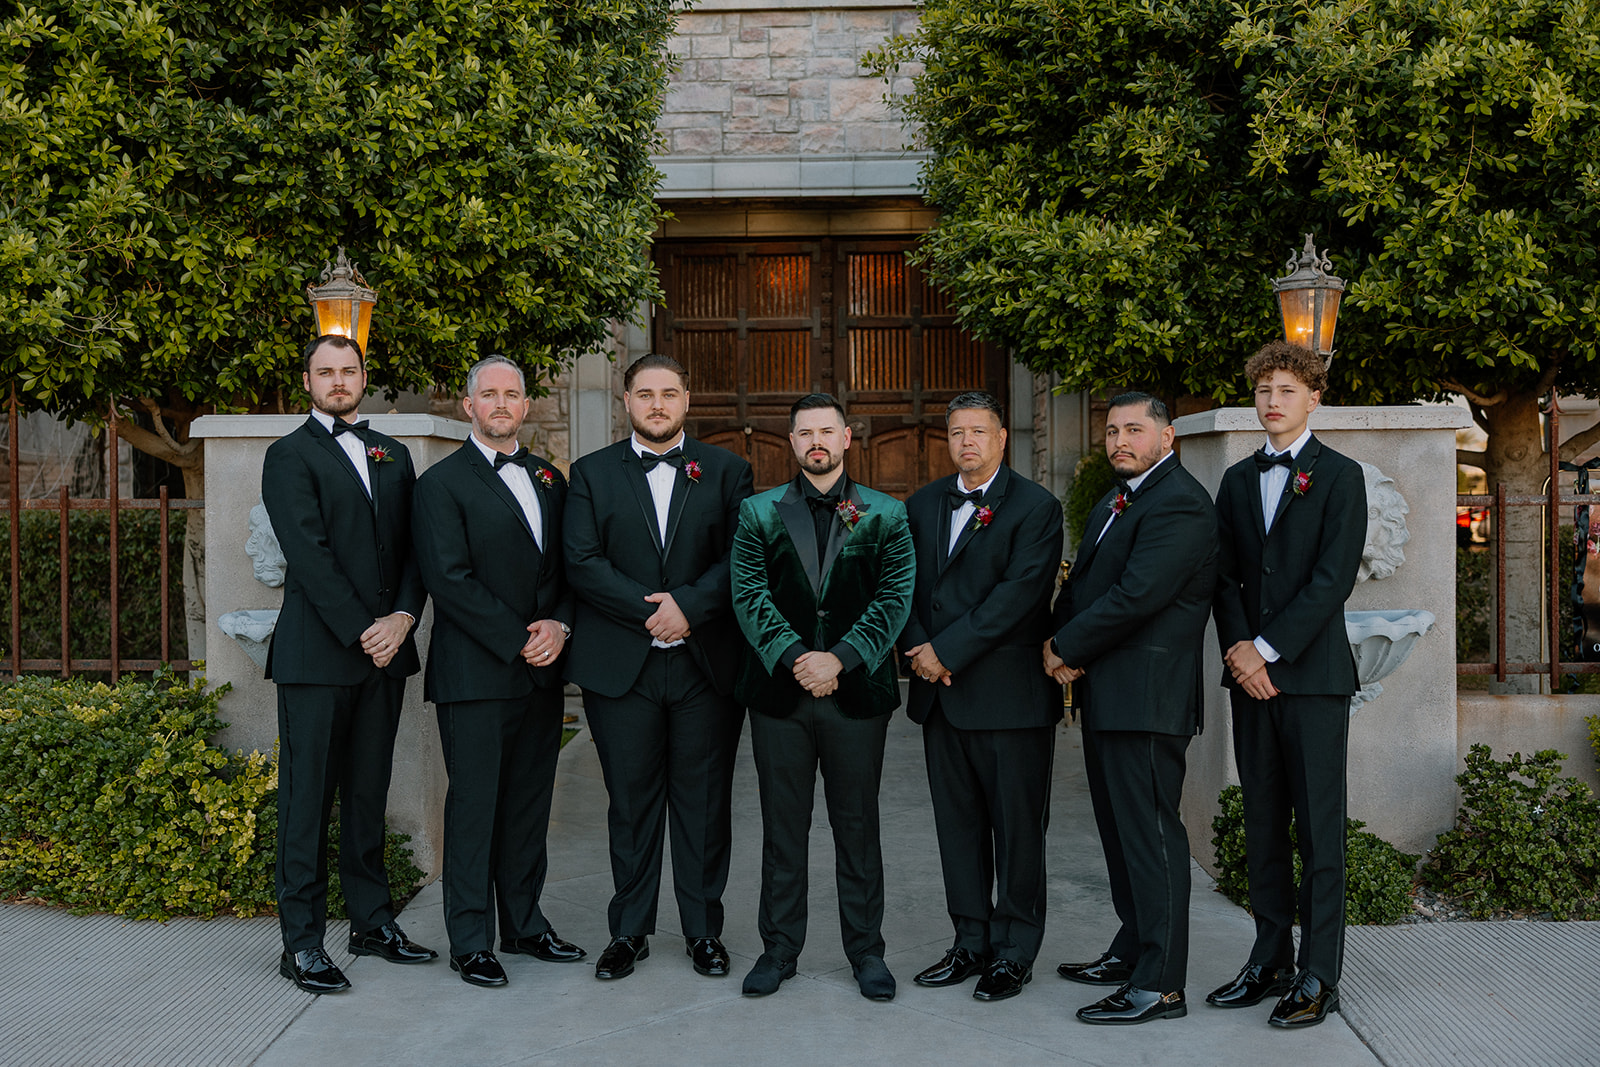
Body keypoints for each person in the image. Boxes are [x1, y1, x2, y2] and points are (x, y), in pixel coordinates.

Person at [563, 354, 754, 981]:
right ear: (626, 402)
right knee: (630, 803)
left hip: (705, 666)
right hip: (623, 666)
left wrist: (688, 608)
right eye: (645, 394)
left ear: (687, 401)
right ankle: (629, 931)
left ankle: (703, 932)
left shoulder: (727, 471)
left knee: (704, 805)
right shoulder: (590, 473)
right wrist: (652, 613)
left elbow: (740, 557)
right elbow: (582, 560)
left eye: (669, 393)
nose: (657, 404)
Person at [262, 333, 435, 994]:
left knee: (368, 794)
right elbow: (308, 556)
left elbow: (417, 548)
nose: (339, 380)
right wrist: (367, 630)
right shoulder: (288, 455)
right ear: (307, 382)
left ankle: (372, 922)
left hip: (384, 655)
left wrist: (404, 618)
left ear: (364, 377)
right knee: (307, 802)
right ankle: (302, 943)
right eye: (325, 371)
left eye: (349, 370)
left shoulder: (394, 454)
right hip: (317, 655)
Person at [730, 394, 915, 1001]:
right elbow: (749, 595)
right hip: (779, 696)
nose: (816, 441)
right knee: (783, 829)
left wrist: (840, 658)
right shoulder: (757, 512)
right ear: (791, 442)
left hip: (856, 694)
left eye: (826, 431)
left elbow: (894, 598)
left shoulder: (886, 513)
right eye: (805, 432)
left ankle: (866, 951)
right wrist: (797, 659)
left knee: (857, 828)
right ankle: (779, 949)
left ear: (846, 438)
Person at [411, 356, 585, 988]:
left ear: (525, 405)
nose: (502, 404)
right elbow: (449, 579)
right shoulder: (440, 484)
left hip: (541, 672)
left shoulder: (550, 479)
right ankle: (469, 940)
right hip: (476, 673)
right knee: (475, 807)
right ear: (469, 406)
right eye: (489, 394)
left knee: (528, 806)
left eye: (512, 394)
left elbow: (570, 568)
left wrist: (558, 626)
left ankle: (525, 925)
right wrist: (519, 640)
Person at [1207, 341, 1367, 1028]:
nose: (1272, 401)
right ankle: (1269, 956)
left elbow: (1332, 579)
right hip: (1251, 682)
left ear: (1314, 398)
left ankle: (1319, 974)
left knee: (1319, 829)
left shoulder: (1341, 477)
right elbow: (1223, 577)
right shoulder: (1236, 481)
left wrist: (1266, 651)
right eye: (1263, 390)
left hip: (1314, 680)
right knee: (1264, 822)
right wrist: (1241, 656)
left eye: (1286, 390)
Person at [1046, 391, 1218, 1025]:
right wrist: (1058, 640)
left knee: (1151, 838)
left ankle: (1161, 983)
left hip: (1147, 697)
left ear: (1167, 436)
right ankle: (1133, 946)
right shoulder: (1118, 498)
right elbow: (1083, 585)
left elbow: (1137, 595)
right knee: (1121, 834)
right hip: (1108, 692)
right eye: (1113, 430)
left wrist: (1065, 647)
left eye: (1134, 429)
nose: (1120, 440)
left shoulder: (1179, 504)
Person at [900, 391, 1063, 1002]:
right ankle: (969, 941)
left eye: (978, 431)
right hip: (939, 696)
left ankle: (1014, 952)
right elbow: (902, 585)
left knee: (1017, 832)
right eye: (957, 432)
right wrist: (918, 648)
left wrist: (946, 651)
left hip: (1009, 698)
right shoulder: (921, 505)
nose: (966, 442)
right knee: (958, 828)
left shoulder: (1036, 507)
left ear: (1001, 438)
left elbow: (1018, 596)